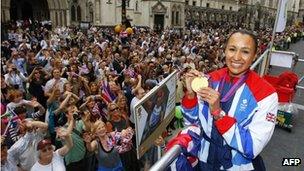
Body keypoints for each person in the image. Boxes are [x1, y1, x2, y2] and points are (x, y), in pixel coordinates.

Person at [166, 30, 278, 170]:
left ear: (254, 56)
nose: (236, 57)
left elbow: (252, 147)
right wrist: (190, 95)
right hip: (205, 162)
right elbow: (192, 123)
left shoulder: (266, 94)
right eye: (232, 49)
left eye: (245, 52)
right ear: (224, 50)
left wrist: (219, 114)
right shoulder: (210, 79)